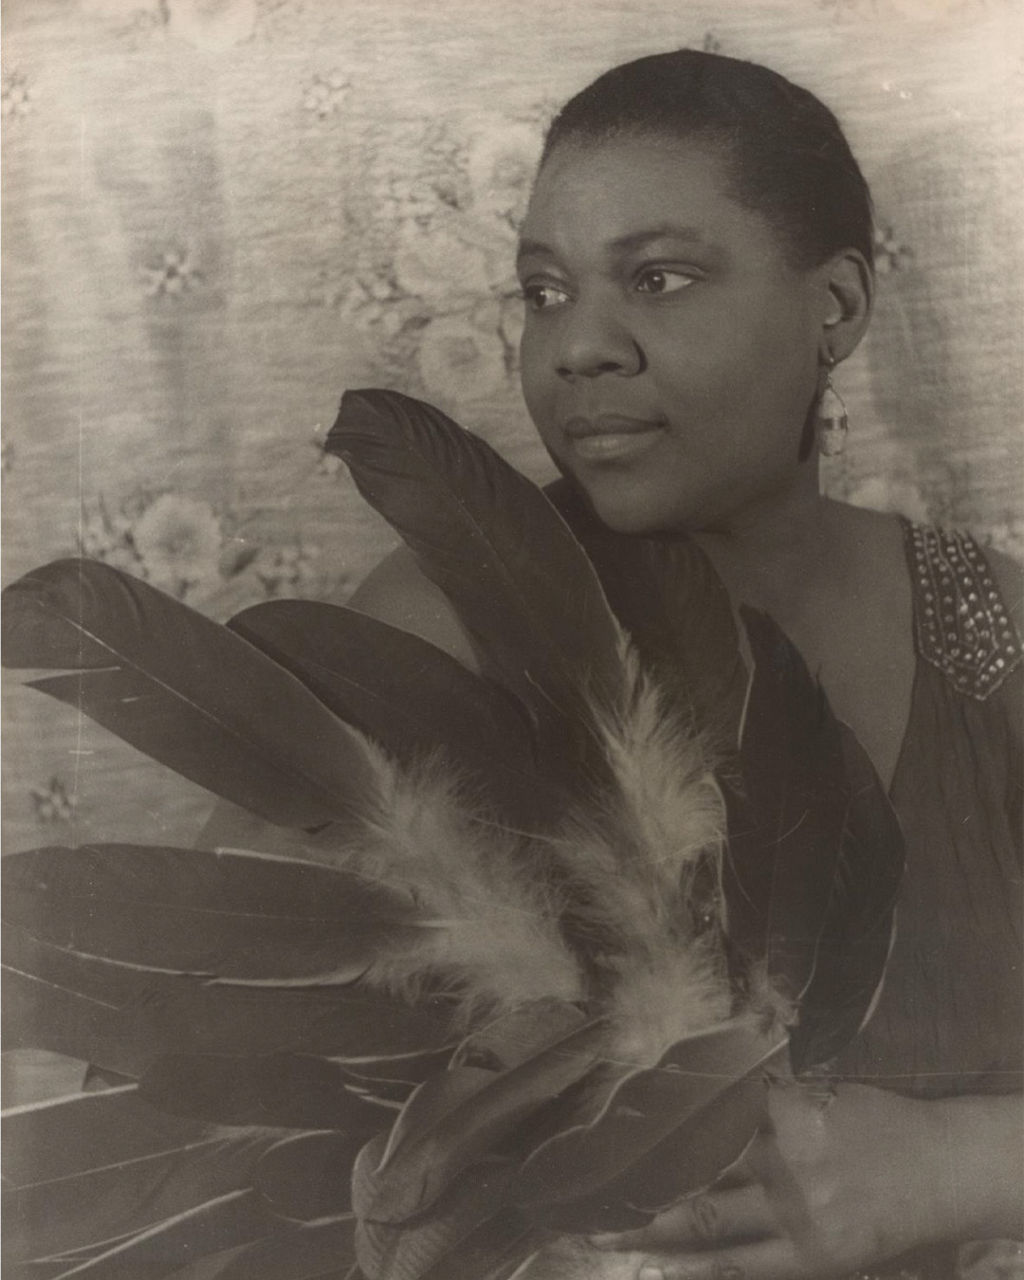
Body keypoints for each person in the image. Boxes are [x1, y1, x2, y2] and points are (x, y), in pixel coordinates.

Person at [202, 50, 1022, 1279]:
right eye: (543, 291)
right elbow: (193, 1066)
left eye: (658, 276)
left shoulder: (987, 627)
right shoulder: (450, 620)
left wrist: (955, 1163)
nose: (578, 344)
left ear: (835, 308)